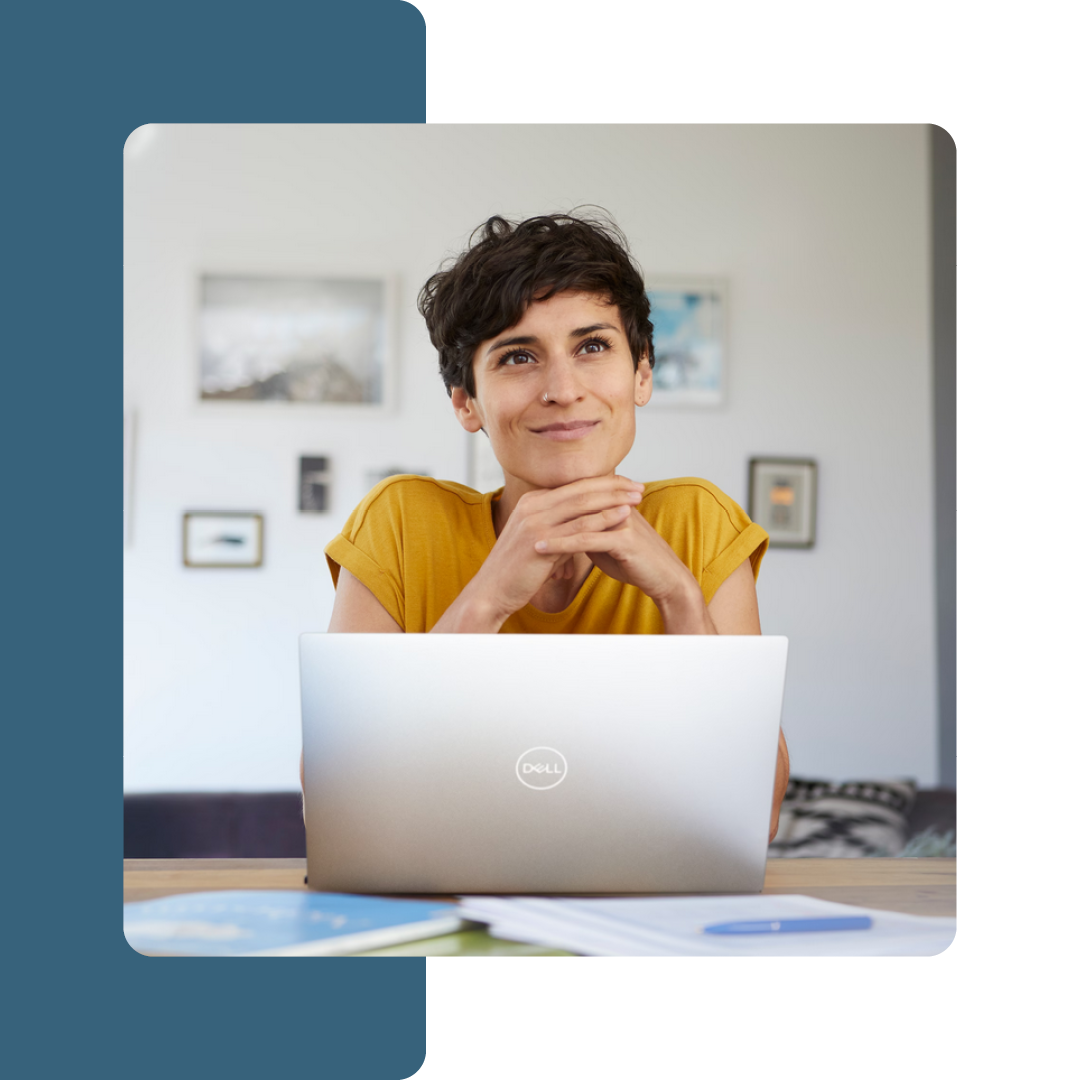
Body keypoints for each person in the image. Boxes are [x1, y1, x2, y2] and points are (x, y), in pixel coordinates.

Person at [311, 211, 789, 837]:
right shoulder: (400, 523)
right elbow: (337, 802)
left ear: (641, 372)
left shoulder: (700, 523)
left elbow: (758, 812)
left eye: (592, 347)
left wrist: (679, 597)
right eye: (517, 356)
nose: (563, 389)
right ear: (466, 402)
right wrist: (485, 601)